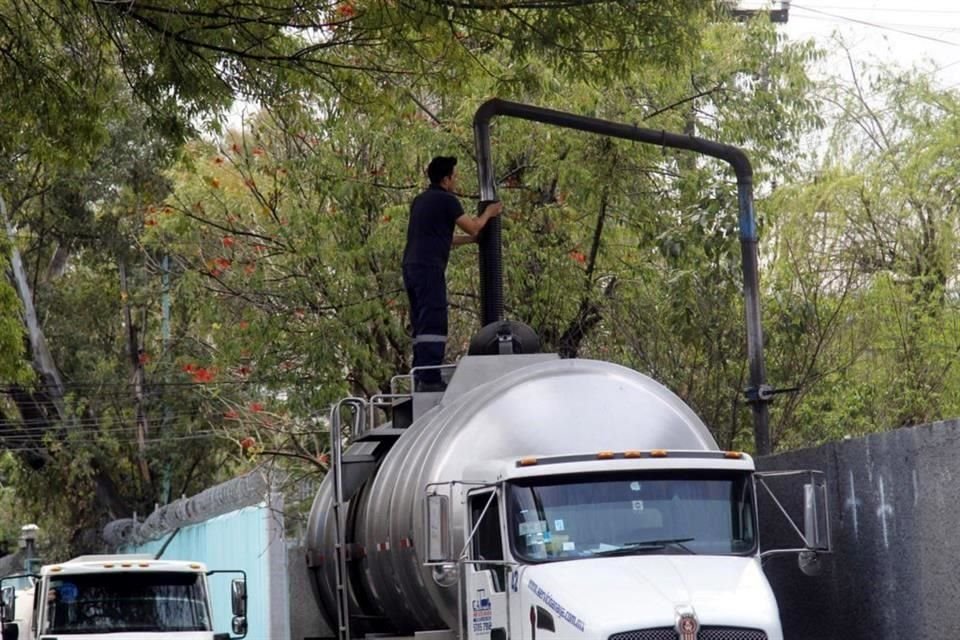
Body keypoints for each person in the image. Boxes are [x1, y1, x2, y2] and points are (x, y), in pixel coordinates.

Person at [402, 156, 502, 391]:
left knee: (421, 322)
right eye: (455, 176)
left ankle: (422, 374)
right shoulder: (447, 200)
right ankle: (429, 380)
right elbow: (474, 225)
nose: (456, 180)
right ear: (446, 179)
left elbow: (442, 238)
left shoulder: (420, 201)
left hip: (411, 267)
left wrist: (470, 241)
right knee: (434, 320)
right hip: (429, 269)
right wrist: (489, 212)